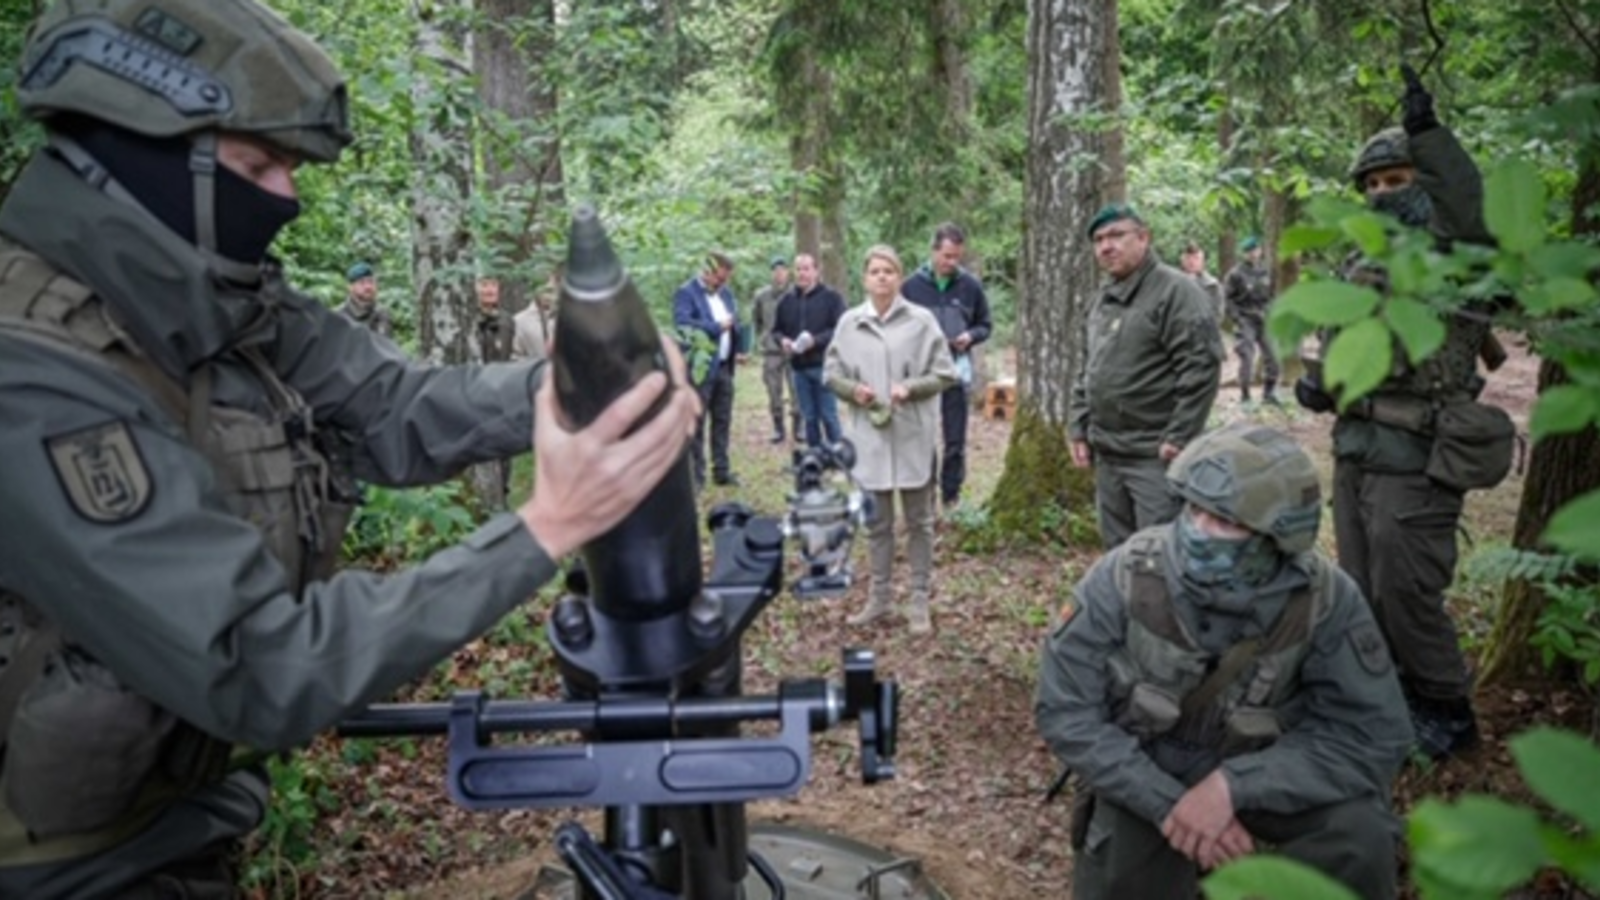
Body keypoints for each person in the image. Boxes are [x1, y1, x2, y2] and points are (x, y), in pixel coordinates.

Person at [0, 1, 701, 896]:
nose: (284, 198)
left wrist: (580, 385)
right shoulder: (34, 376)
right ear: (142, 163)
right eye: (258, 166)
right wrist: (546, 526)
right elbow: (258, 665)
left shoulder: (217, 301)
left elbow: (394, 406)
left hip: (181, 824)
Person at [1035, 422, 1414, 900]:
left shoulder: (1324, 598)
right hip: (1146, 769)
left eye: (1225, 522)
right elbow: (1065, 710)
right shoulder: (1126, 574)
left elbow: (1372, 734)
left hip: (1269, 770)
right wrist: (1170, 805)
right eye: (1194, 509)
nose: (1199, 531)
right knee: (1123, 871)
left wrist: (1234, 787)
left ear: (1276, 537)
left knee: (1358, 836)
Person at [1294, 64, 1509, 760]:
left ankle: (1447, 709)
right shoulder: (1361, 261)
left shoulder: (1456, 254)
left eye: (1399, 179)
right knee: (1361, 588)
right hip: (1358, 449)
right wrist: (1319, 382)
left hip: (1419, 457)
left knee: (1408, 588)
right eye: (1374, 185)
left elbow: (1469, 207)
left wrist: (1429, 135)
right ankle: (1385, 703)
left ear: (1424, 182)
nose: (1385, 194)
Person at [1069, 204, 1224, 549]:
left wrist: (1179, 435)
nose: (1106, 246)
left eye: (1116, 235)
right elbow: (1088, 369)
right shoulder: (1102, 299)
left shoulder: (1177, 291)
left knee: (1159, 555)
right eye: (1098, 240)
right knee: (1118, 554)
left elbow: (1202, 365)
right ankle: (1127, 605)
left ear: (1143, 237)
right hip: (1108, 453)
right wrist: (1078, 427)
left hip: (1155, 456)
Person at [824, 245, 957, 634]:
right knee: (877, 524)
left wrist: (911, 388)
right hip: (870, 438)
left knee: (920, 522)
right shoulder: (849, 323)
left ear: (899, 277)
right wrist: (854, 391)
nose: (882, 277)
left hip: (912, 434)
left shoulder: (922, 321)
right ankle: (879, 597)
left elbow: (945, 373)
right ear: (864, 278)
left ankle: (919, 599)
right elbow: (831, 374)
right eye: (875, 271)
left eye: (889, 271)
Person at [900, 223, 992, 510]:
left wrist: (971, 336)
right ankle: (924, 495)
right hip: (922, 374)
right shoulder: (911, 286)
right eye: (947, 256)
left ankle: (951, 497)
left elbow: (985, 324)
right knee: (923, 438)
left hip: (955, 371)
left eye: (957, 257)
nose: (952, 263)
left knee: (955, 440)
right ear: (934, 251)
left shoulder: (970, 286)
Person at [673, 251, 742, 486]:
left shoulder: (727, 295)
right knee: (697, 421)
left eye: (726, 280)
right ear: (708, 270)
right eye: (720, 279)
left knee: (722, 420)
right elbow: (683, 325)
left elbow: (734, 323)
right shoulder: (686, 293)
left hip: (724, 367)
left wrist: (738, 345)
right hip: (699, 369)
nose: (723, 284)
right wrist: (716, 327)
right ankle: (696, 476)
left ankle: (721, 471)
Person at [774, 253, 847, 450]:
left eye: (806, 269)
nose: (802, 274)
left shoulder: (832, 298)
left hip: (825, 366)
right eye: (798, 269)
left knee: (828, 415)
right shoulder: (786, 301)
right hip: (798, 368)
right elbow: (776, 330)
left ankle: (838, 458)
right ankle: (815, 456)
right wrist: (783, 341)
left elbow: (840, 330)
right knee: (809, 417)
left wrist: (816, 341)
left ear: (816, 271)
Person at [1222, 236, 1279, 404]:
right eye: (1249, 251)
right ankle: (1245, 396)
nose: (1253, 254)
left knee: (1273, 357)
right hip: (1245, 319)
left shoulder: (1265, 271)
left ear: (1260, 250)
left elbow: (1271, 294)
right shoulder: (1235, 274)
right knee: (1247, 357)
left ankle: (1269, 394)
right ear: (1244, 254)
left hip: (1264, 318)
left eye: (1255, 250)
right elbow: (1227, 298)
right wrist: (1237, 318)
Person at [750, 255, 800, 444]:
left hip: (794, 350)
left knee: (797, 390)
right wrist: (762, 340)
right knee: (773, 391)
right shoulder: (762, 296)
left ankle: (799, 428)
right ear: (772, 273)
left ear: (788, 273)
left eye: (783, 270)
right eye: (776, 270)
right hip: (771, 351)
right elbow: (756, 320)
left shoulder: (797, 293)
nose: (779, 274)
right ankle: (778, 428)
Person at [339, 260, 394, 339]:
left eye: (371, 282)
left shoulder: (382, 314)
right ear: (350, 287)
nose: (368, 287)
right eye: (362, 283)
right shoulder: (339, 316)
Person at [513, 269, 557, 363]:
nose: (548, 296)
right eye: (544, 291)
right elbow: (515, 357)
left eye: (551, 291)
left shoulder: (566, 318)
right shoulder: (520, 321)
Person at [1179, 240, 1224, 323]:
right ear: (1182, 260)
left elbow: (1217, 314)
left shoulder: (1213, 286)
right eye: (1188, 257)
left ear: (1203, 262)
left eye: (1196, 258)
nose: (1191, 262)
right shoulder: (1172, 283)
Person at [475, 275, 515, 363]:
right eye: (484, 285)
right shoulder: (471, 319)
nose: (490, 291)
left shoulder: (506, 320)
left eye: (494, 285)